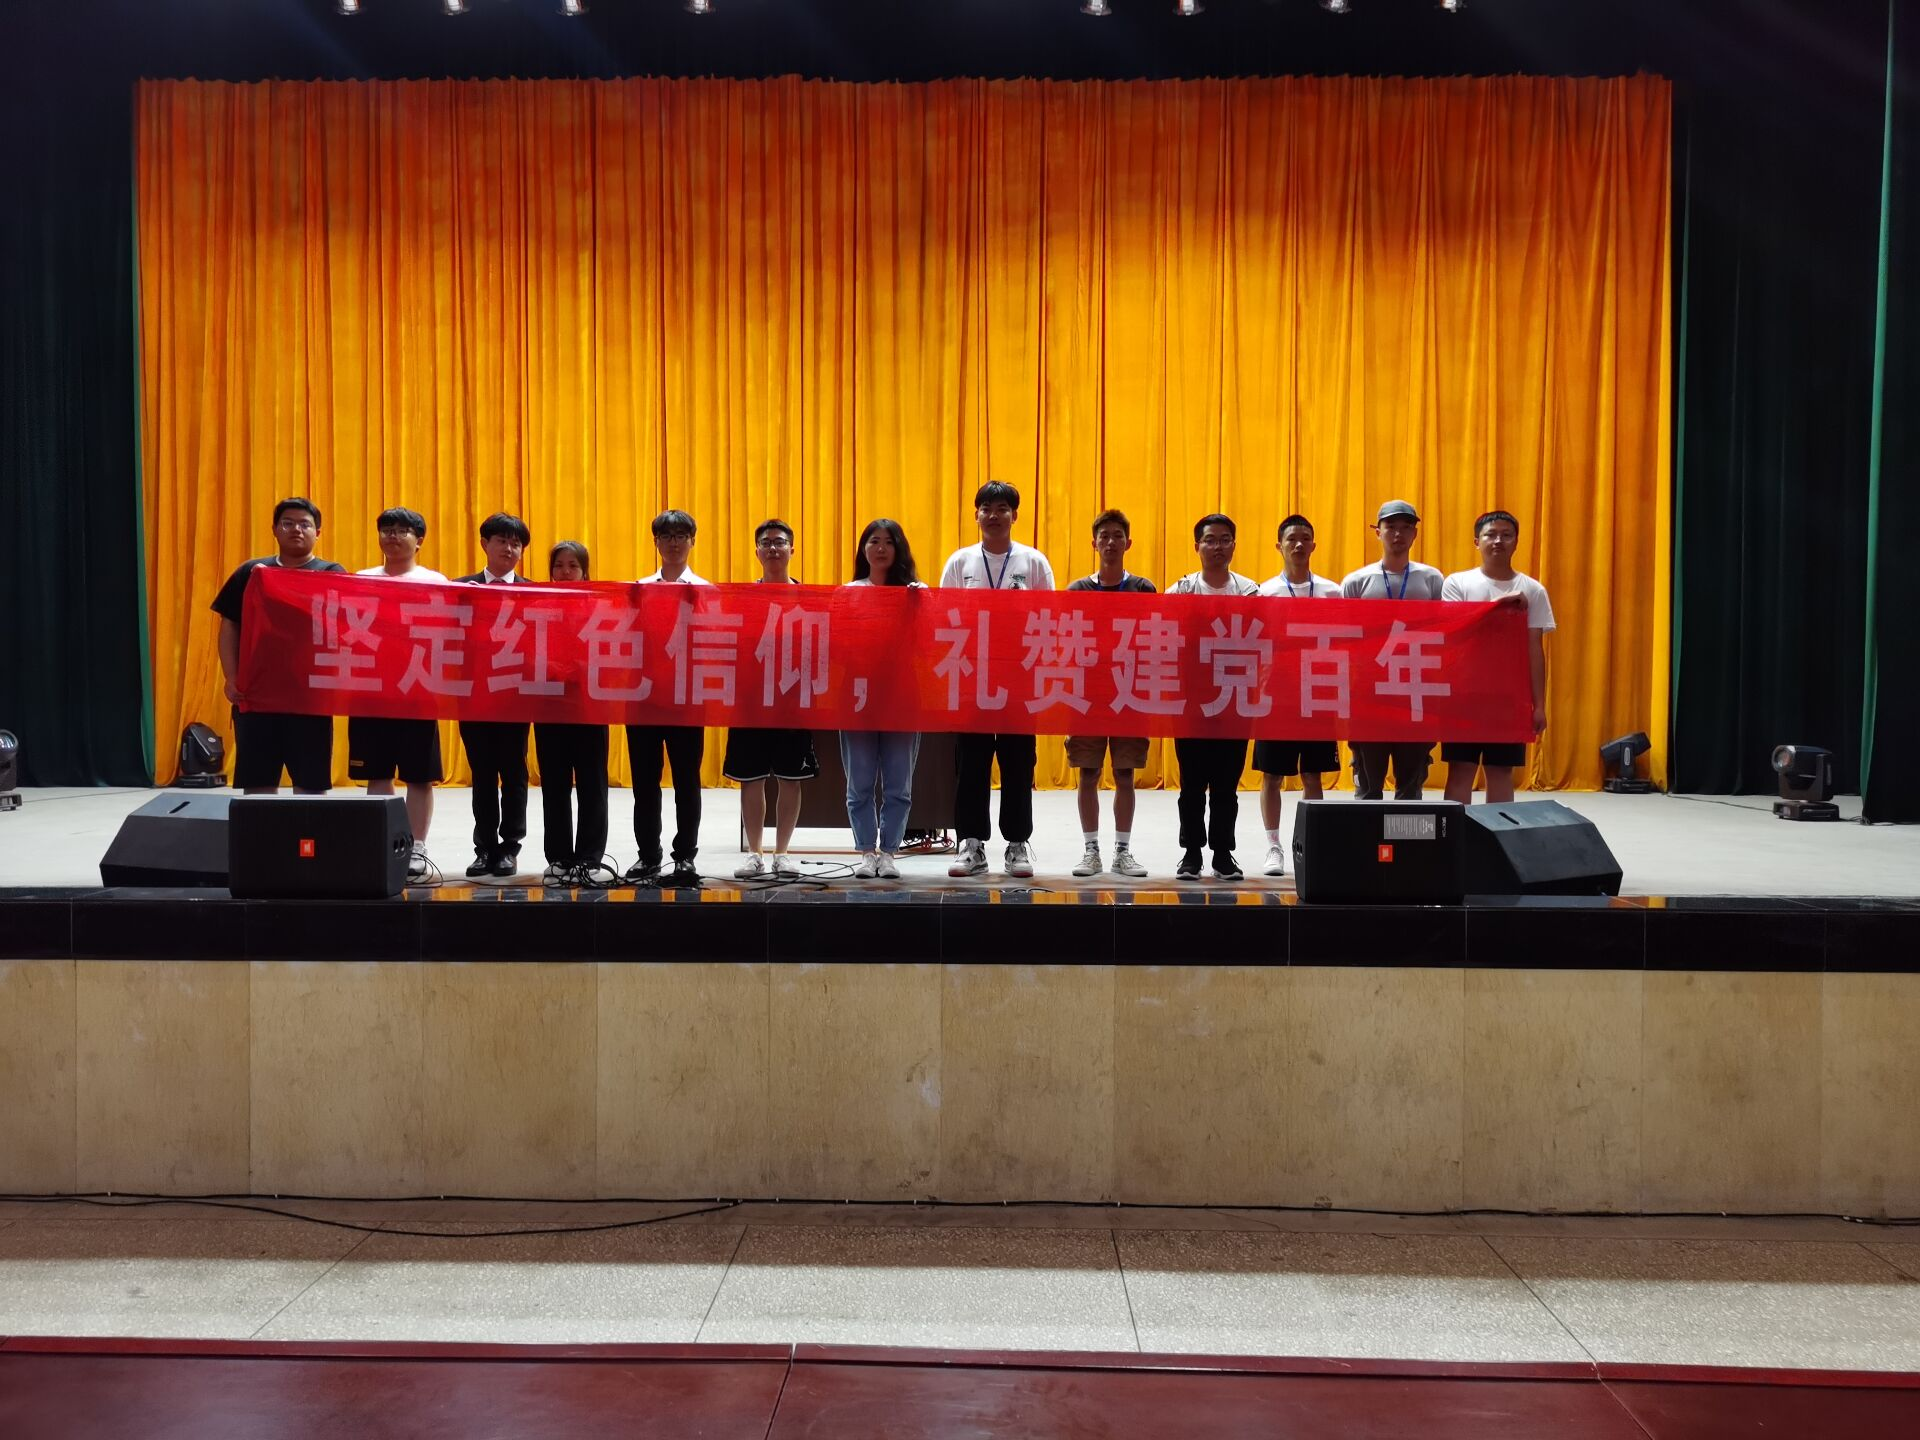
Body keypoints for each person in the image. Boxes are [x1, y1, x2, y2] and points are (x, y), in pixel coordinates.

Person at [939, 480, 1055, 879]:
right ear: (976, 515)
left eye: (1002, 508)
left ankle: (1017, 843)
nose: (993, 515)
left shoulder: (1033, 562)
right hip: (971, 678)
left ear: (1014, 515)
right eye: (986, 508)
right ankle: (970, 843)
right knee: (971, 764)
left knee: (1018, 763)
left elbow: (1048, 618)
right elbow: (945, 617)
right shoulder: (960, 562)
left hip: (1018, 679)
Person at [210, 497, 346, 795]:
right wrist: (231, 677)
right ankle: (261, 829)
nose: (296, 529)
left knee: (310, 786)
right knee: (258, 784)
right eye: (288, 523)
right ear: (274, 529)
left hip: (310, 697)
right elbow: (230, 625)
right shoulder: (251, 572)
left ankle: (307, 829)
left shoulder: (331, 573)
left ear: (317, 533)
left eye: (304, 525)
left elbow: (346, 630)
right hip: (257, 693)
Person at [349, 507, 447, 881]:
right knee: (377, 773)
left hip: (417, 690)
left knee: (419, 776)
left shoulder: (434, 581)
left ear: (418, 540)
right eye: (386, 529)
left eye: (402, 530)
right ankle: (383, 842)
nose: (392, 536)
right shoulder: (360, 580)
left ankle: (416, 846)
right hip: (370, 691)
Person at [1167, 514, 1260, 882]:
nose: (1217, 547)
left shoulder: (1250, 592)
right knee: (1191, 783)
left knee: (1226, 785)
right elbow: (1165, 637)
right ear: (1197, 546)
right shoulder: (1181, 590)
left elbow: (1262, 642)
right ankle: (1191, 853)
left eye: (1224, 540)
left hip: (1234, 697)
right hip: (1191, 699)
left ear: (1234, 545)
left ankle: (1223, 854)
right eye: (1210, 540)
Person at [725, 519, 820, 880]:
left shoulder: (809, 598)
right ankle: (755, 853)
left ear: (792, 549)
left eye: (780, 542)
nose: (773, 548)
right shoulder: (743, 598)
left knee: (790, 778)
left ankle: (782, 853)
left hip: (792, 700)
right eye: (766, 543)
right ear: (757, 552)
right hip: (751, 700)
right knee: (750, 778)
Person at [1441, 510, 1554, 805]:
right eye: (1490, 535)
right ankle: (1457, 831)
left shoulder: (1533, 590)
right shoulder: (1457, 583)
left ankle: (1497, 830)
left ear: (1516, 541)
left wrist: (1539, 705)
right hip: (1464, 695)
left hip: (1509, 697)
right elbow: (1455, 632)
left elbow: (1534, 649)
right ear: (1476, 541)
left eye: (1506, 535)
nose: (1498, 541)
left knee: (1501, 771)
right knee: (1461, 769)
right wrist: (1498, 606)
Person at [1064, 508, 1154, 879]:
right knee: (1088, 773)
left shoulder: (1143, 589)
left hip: (1129, 693)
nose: (1111, 542)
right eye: (1105, 536)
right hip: (1088, 695)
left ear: (1128, 543)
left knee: (1125, 774)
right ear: (1094, 543)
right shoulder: (1077, 591)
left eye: (1118, 536)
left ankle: (1122, 851)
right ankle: (1090, 851)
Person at [1253, 514, 1343, 876]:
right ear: (1279, 546)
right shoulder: (1264, 592)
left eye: (1305, 538)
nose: (1299, 544)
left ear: (1314, 545)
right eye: (1291, 539)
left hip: (1318, 692)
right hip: (1277, 694)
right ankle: (1273, 846)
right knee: (1272, 776)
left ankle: (1311, 842)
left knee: (1313, 775)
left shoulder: (1332, 592)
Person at [1340, 499, 1445, 800]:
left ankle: (1407, 832)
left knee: (1411, 783)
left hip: (1415, 689)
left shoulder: (1431, 579)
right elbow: (1345, 637)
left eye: (1406, 528)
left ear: (1415, 534)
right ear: (1378, 532)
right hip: (1368, 692)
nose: (1398, 534)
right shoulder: (1357, 581)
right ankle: (1366, 833)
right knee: (1368, 781)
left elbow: (1443, 631)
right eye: (1391, 527)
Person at [628, 509, 710, 888]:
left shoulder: (705, 590)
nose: (674, 542)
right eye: (666, 536)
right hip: (644, 698)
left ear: (692, 541)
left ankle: (685, 857)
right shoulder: (638, 589)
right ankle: (648, 855)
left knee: (686, 783)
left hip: (687, 700)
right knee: (645, 784)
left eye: (681, 535)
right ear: (656, 542)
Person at [842, 519, 926, 879]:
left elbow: (929, 641)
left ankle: (889, 851)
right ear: (864, 549)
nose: (880, 548)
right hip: (857, 697)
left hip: (901, 696)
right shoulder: (849, 592)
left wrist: (923, 602)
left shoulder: (914, 593)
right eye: (873, 541)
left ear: (898, 548)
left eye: (888, 542)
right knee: (859, 780)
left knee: (898, 782)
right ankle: (866, 851)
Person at [455, 513, 534, 878]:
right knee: (482, 774)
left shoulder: (534, 592)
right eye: (502, 541)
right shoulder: (461, 589)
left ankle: (510, 847)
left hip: (516, 697)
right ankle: (484, 847)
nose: (509, 548)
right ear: (484, 544)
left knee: (514, 773)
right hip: (473, 696)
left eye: (516, 543)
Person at [534, 540, 610, 884]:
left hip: (589, 706)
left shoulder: (598, 606)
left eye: (573, 566)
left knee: (592, 784)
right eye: (559, 565)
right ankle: (559, 857)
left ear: (585, 571)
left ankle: (590, 857)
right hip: (549, 706)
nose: (565, 572)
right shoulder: (538, 605)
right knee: (554, 785)